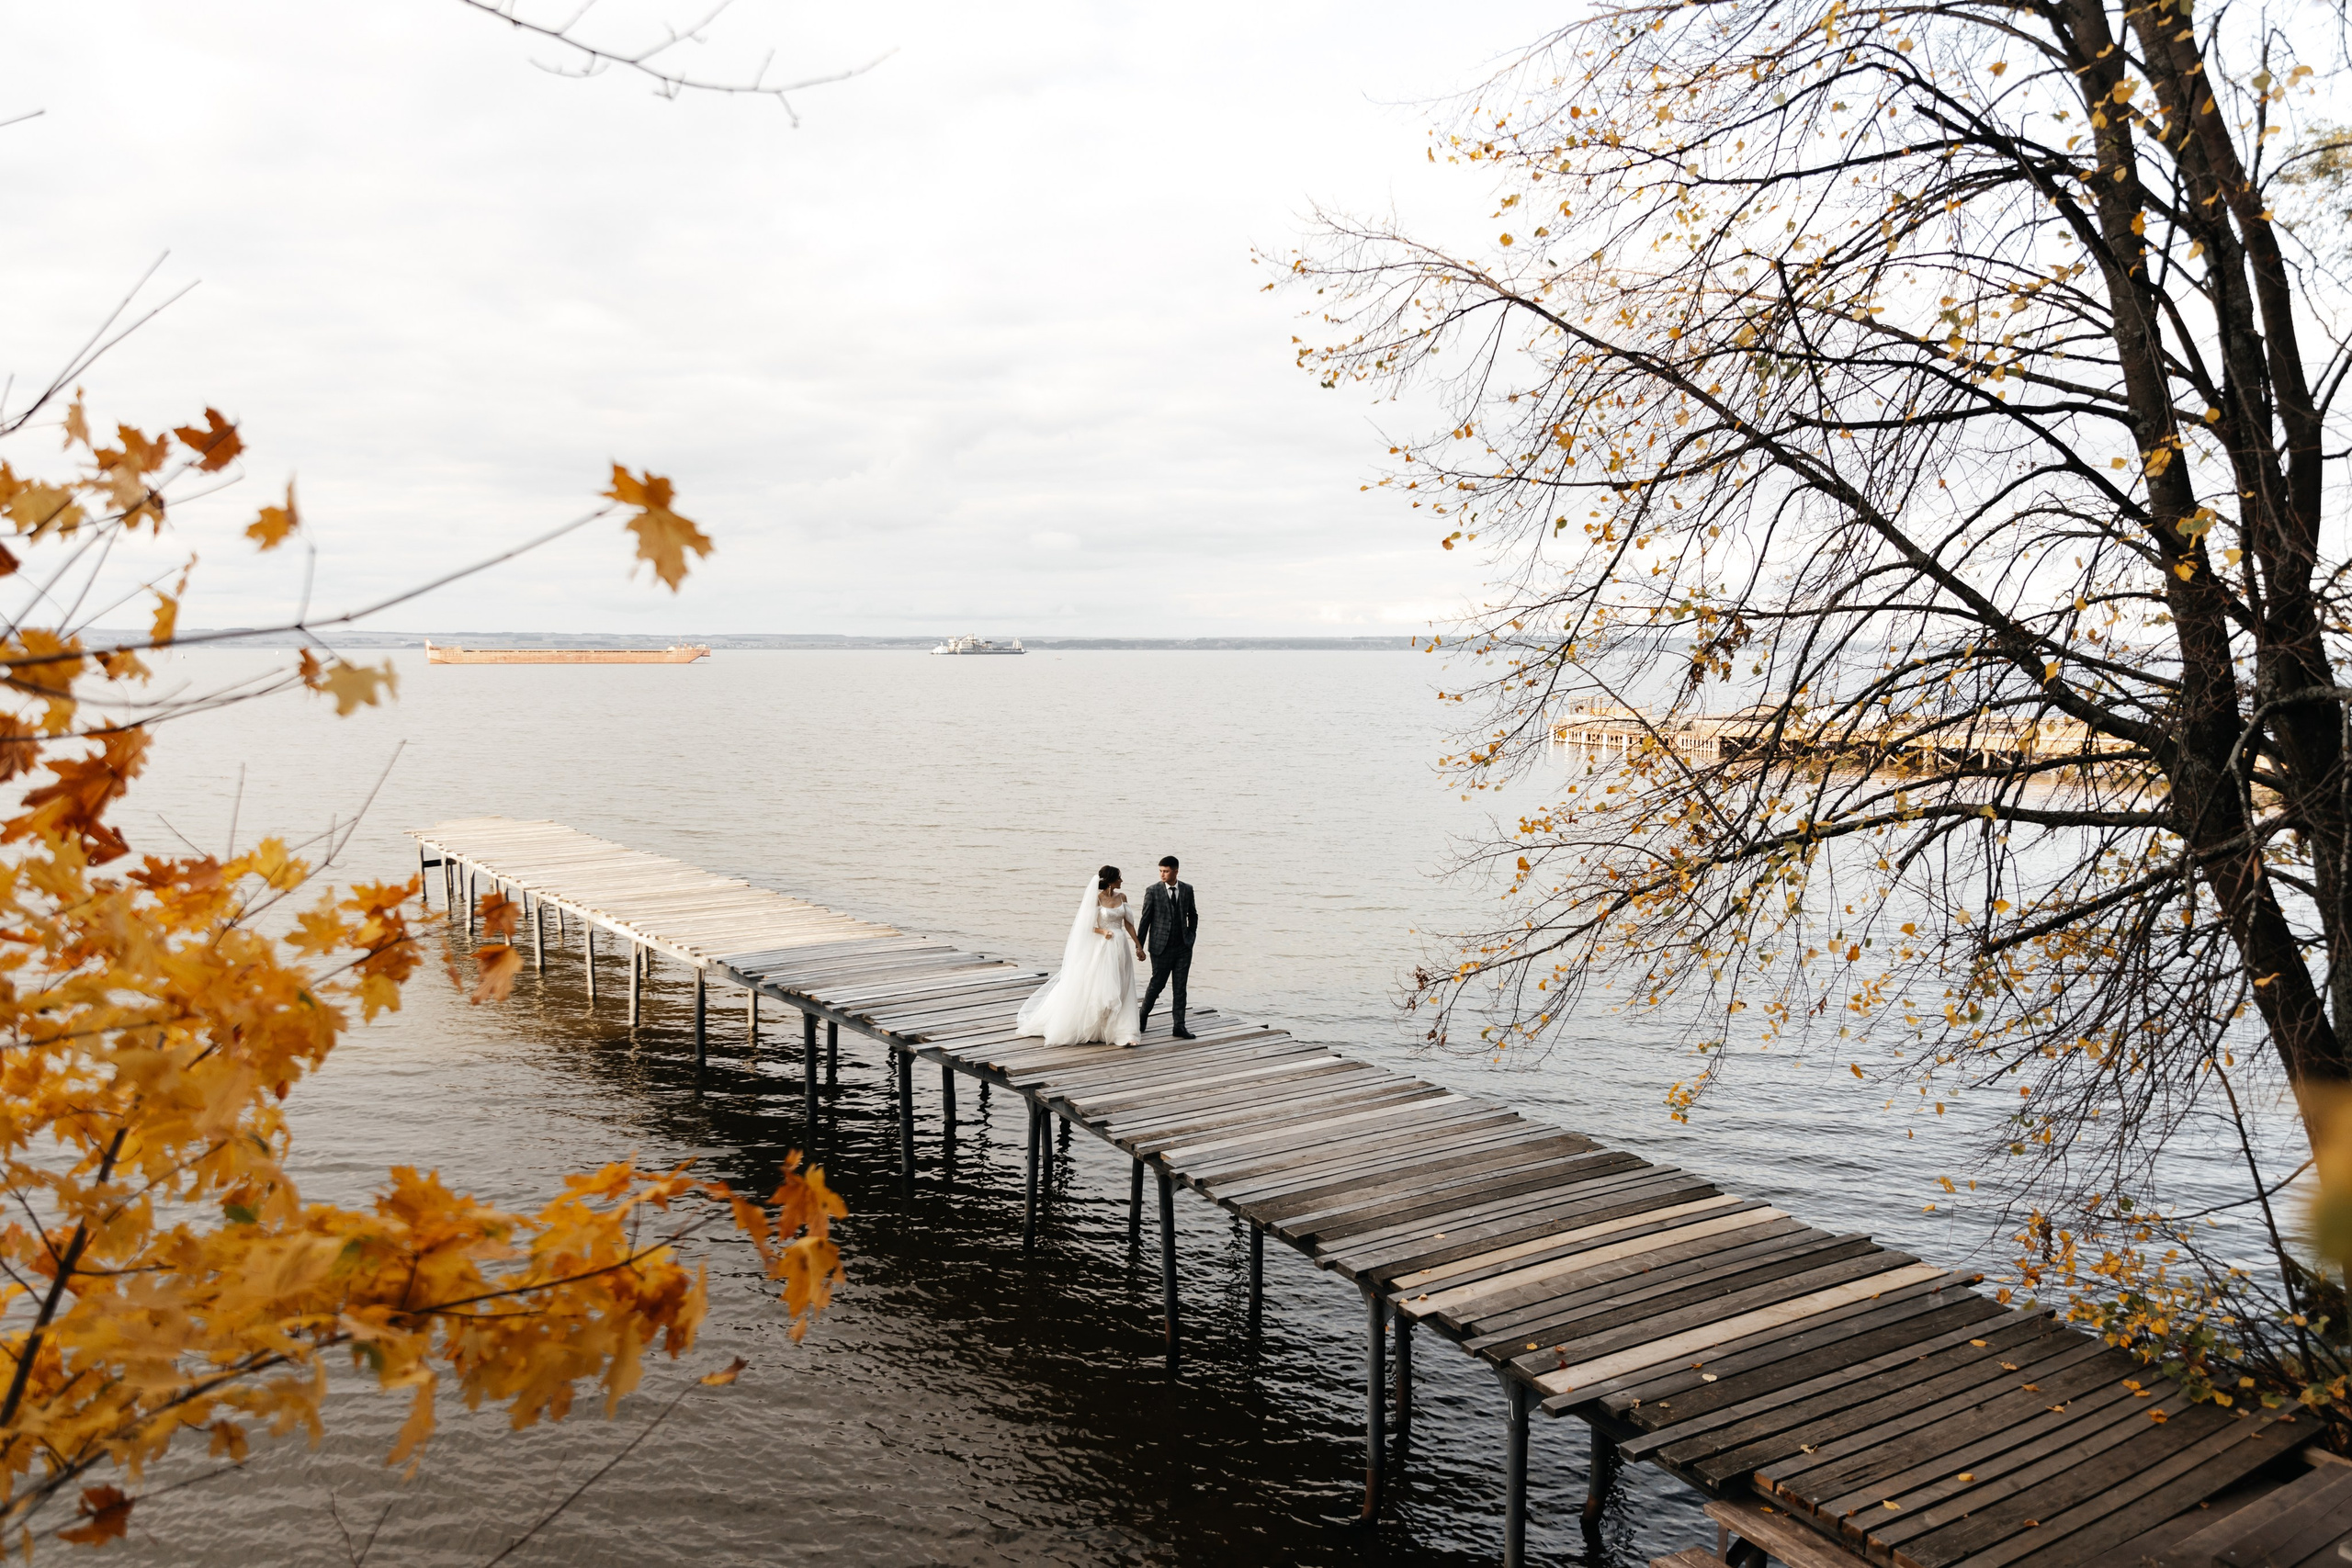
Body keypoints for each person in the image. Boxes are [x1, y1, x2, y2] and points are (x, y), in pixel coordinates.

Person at [1014, 864, 1141, 1047]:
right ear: (1111, 881)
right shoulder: (1096, 899)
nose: (1122, 881)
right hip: (1104, 947)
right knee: (1102, 987)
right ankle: (1098, 1026)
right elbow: (1085, 925)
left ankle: (1124, 1030)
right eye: (1119, 878)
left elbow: (1129, 925)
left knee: (1123, 985)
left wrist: (1138, 946)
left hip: (1121, 946)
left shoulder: (1123, 897)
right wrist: (1103, 930)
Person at [1136, 854, 1198, 1039]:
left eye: (1166, 871)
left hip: (1183, 947)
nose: (1162, 874)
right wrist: (1139, 947)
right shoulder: (1152, 891)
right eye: (1161, 871)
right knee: (1157, 984)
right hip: (1160, 947)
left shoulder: (1187, 889)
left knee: (1180, 987)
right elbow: (1145, 920)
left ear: (1176, 871)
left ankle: (1179, 1026)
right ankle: (1142, 1017)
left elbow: (1193, 914)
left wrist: (1191, 936)